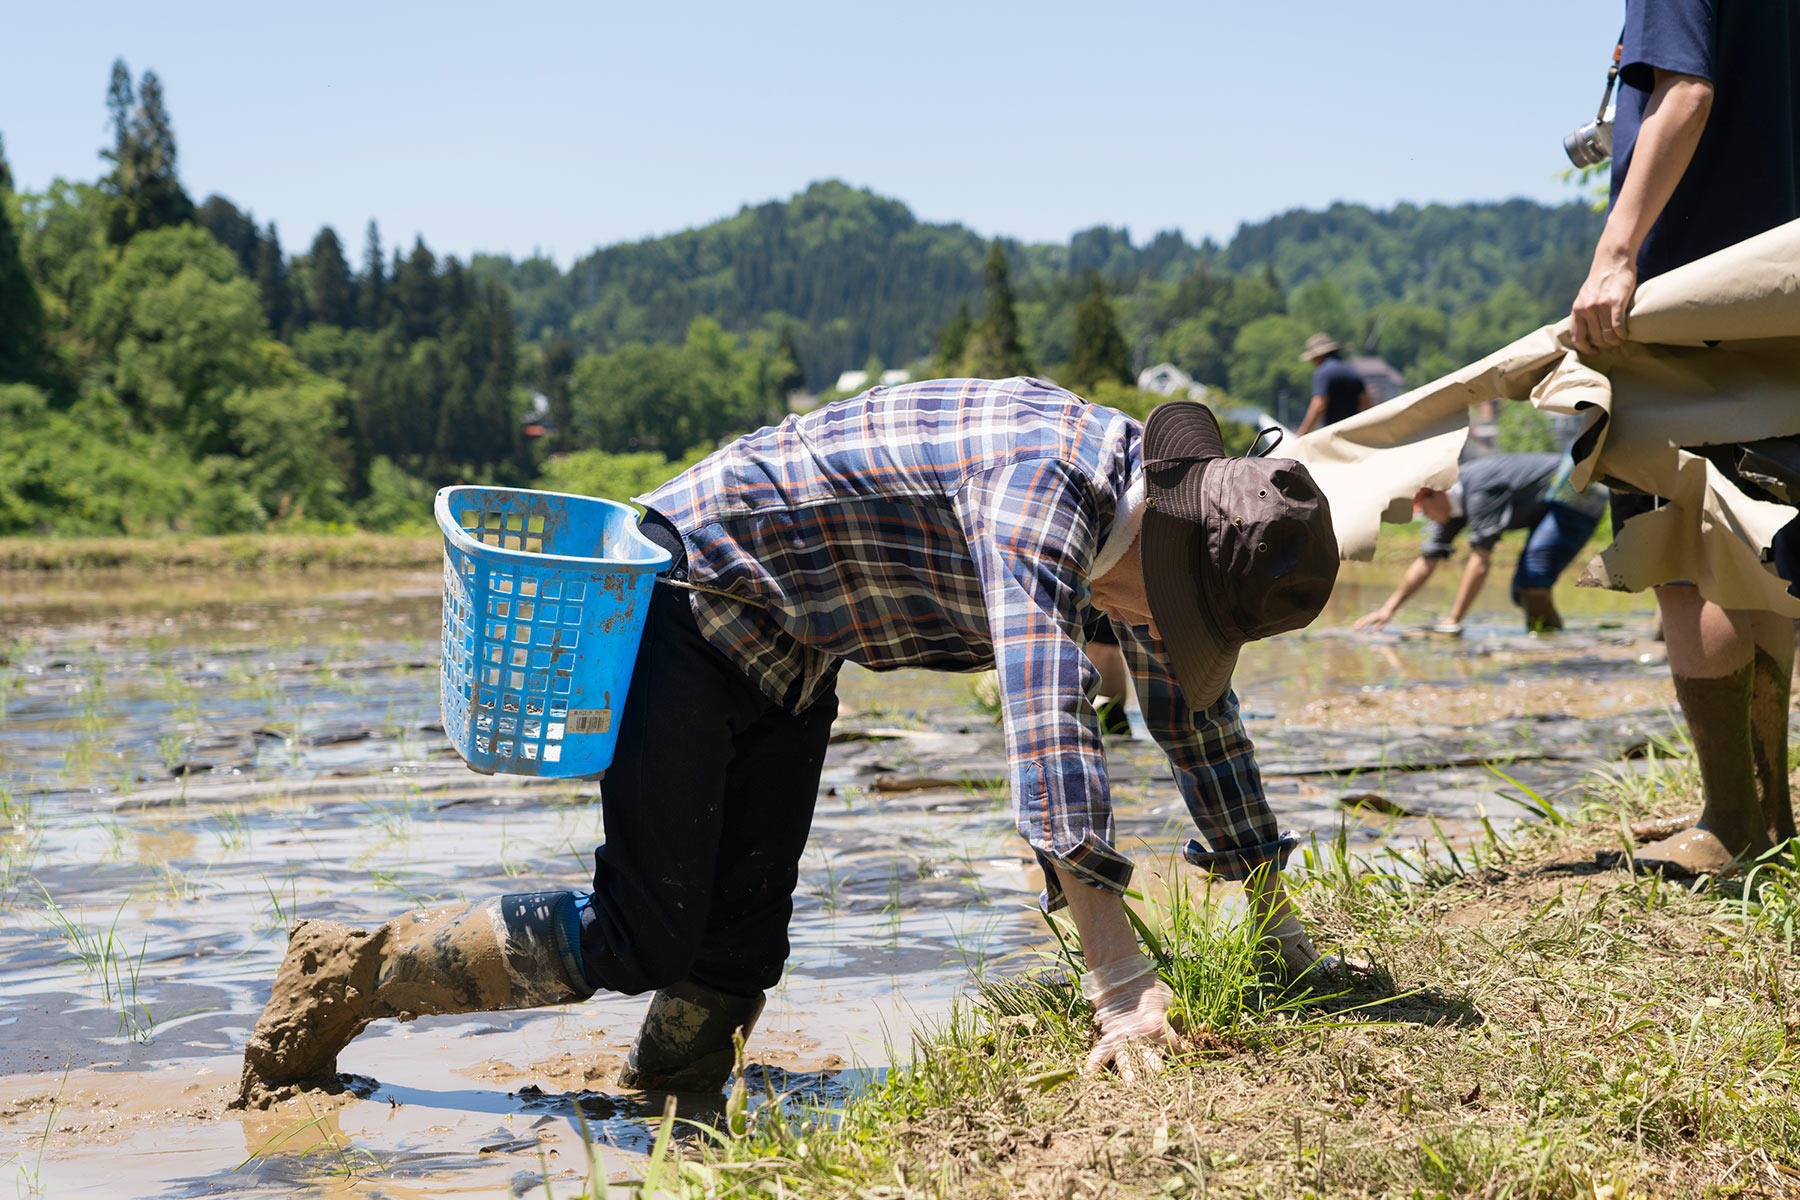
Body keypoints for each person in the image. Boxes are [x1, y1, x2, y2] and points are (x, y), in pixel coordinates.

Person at [236, 378, 1343, 1105]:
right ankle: (353, 971)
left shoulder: (1151, 528)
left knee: (735, 957)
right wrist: (1117, 977)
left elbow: (1197, 723)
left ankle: (663, 1118)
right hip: (688, 603)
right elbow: (1048, 721)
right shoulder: (1040, 497)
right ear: (1165, 556)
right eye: (1175, 620)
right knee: (645, 934)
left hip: (792, 646)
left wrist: (1276, 919)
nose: (1159, 638)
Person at [1568, 0, 1800, 876]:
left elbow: (1685, 91)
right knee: (1762, 549)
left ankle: (1729, 822)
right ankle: (1767, 815)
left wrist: (1617, 252)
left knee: (1683, 553)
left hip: (1685, 292)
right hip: (1772, 288)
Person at [1354, 452, 1606, 636]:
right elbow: (1427, 559)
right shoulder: (1451, 505)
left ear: (1436, 494)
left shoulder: (1479, 493)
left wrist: (1454, 619)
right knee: (1522, 590)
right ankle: (1548, 637)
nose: (1426, 517)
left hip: (1576, 491)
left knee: (1533, 576)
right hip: (1548, 501)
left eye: (1424, 510)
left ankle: (1551, 644)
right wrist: (1388, 609)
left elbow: (1480, 561)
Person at [1295, 333, 1371, 436]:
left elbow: (1319, 405)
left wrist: (1303, 432)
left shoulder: (1323, 373)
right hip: (1354, 434)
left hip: (1334, 436)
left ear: (1318, 356)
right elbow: (1367, 404)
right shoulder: (1352, 373)